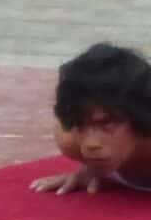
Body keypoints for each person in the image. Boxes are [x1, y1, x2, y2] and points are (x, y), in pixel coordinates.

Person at [31, 43, 151, 194]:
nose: (91, 144)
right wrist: (89, 169)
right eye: (80, 124)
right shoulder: (69, 140)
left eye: (106, 123)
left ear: (139, 116)